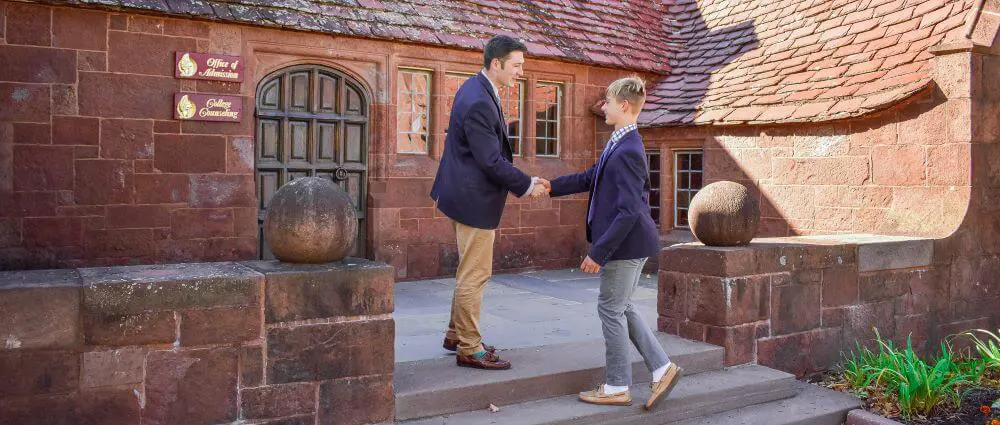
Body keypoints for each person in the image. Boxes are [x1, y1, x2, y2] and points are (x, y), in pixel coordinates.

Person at [547, 76, 681, 409]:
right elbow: (590, 177)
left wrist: (598, 252)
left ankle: (617, 385)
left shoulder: (628, 150)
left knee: (610, 309)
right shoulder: (619, 142)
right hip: (629, 245)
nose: (603, 105)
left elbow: (628, 212)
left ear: (624, 105)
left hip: (625, 246)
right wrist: (549, 186)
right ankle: (662, 367)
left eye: (607, 100)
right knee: (622, 307)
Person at [430, 35, 550, 370]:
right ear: (495, 64)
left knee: (468, 269)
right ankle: (470, 348)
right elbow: (491, 161)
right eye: (516, 65)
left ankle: (456, 334)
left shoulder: (475, 88)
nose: (520, 72)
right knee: (476, 274)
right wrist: (527, 184)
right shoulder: (479, 99)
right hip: (473, 200)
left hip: (461, 194)